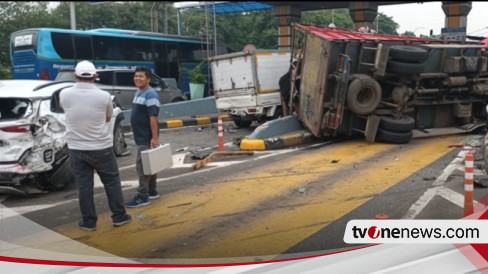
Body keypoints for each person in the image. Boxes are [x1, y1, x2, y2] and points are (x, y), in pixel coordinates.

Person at [60, 60, 131, 231]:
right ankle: (119, 216)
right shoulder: (104, 96)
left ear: (75, 76)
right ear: (95, 76)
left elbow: (68, 112)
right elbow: (108, 117)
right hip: (101, 147)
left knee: (84, 186)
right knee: (112, 182)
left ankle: (89, 222)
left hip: (76, 149)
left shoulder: (64, 94)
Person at [125, 66, 161, 207]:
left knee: (142, 166)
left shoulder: (150, 94)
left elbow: (153, 117)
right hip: (141, 135)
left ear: (148, 79)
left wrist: (154, 138)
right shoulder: (139, 92)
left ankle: (142, 195)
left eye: (141, 76)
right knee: (150, 163)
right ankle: (152, 190)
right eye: (136, 76)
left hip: (146, 136)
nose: (137, 79)